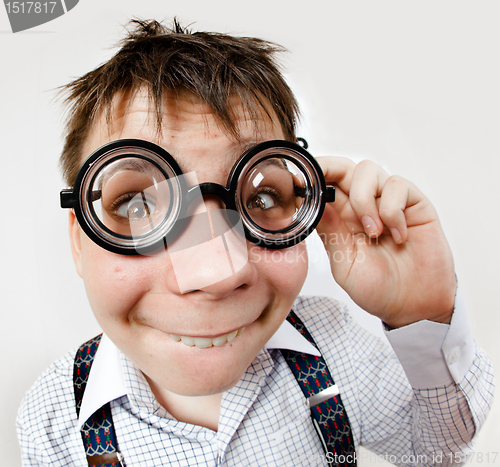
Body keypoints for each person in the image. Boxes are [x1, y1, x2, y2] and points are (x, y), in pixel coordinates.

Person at [17, 19, 493, 466]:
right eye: (137, 205)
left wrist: (421, 316)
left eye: (261, 196)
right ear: (79, 242)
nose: (216, 273)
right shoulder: (53, 418)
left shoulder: (334, 346)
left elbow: (437, 452)